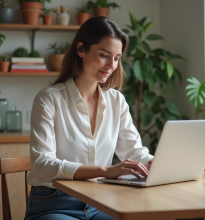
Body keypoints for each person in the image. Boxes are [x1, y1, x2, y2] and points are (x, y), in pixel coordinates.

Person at [24, 16, 154, 220]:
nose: (112, 65)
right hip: (55, 203)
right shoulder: (49, 99)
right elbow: (42, 165)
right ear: (81, 50)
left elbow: (134, 152)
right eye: (104, 55)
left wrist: (154, 163)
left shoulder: (116, 100)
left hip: (101, 202)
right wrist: (104, 170)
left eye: (117, 58)